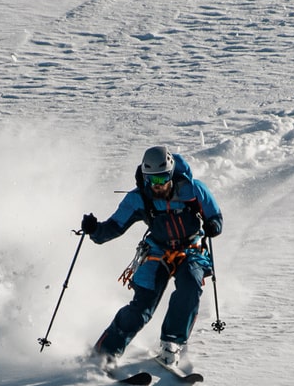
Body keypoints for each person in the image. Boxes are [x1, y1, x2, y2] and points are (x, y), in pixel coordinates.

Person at [79, 145, 223, 372]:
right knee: (142, 307)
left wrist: (213, 225)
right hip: (157, 251)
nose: (158, 185)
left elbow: (215, 215)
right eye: (152, 180)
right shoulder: (139, 198)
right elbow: (115, 227)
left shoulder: (194, 190)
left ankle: (172, 343)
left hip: (191, 249)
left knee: (190, 287)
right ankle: (105, 352)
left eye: (163, 178)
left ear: (172, 173)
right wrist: (94, 230)